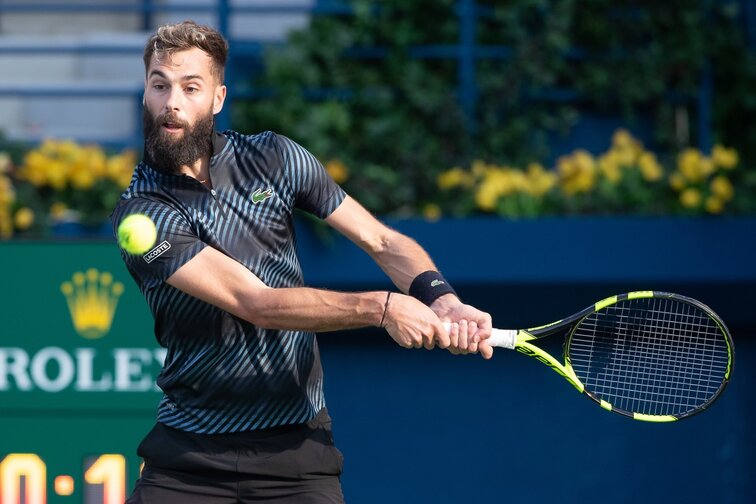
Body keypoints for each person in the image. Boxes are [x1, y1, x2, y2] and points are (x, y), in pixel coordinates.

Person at [112, 19, 493, 504]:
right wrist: (381, 308)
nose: (172, 102)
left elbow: (379, 240)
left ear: (218, 98)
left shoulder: (275, 157)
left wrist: (443, 299)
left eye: (190, 87)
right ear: (145, 92)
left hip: (297, 452)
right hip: (189, 462)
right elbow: (254, 303)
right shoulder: (142, 212)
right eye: (159, 85)